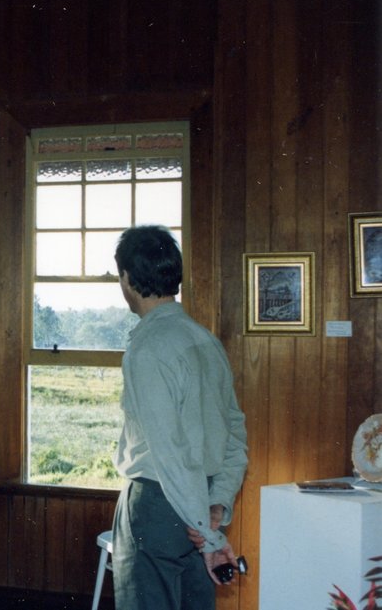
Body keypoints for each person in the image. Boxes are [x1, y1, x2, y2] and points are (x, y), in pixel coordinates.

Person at [111, 225, 249, 610]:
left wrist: (209, 534)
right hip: (200, 505)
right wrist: (216, 504)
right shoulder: (205, 341)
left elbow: (170, 454)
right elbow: (235, 435)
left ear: (127, 278)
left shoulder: (147, 349)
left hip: (159, 507)